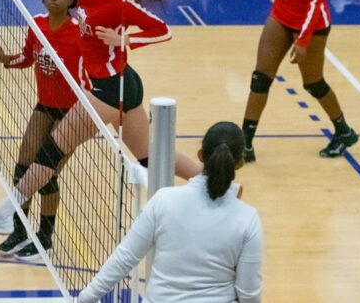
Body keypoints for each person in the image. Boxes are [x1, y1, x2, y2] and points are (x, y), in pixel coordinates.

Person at [0, 0, 201, 236]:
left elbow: (162, 31)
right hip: (119, 86)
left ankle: (5, 214)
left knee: (49, 152)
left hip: (108, 91)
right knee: (148, 157)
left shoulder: (116, 4)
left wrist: (125, 39)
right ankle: (211, 181)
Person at [75, 122, 262, 303]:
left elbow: (125, 258)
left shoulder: (163, 200)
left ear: (201, 155)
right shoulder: (248, 218)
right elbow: (248, 294)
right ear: (239, 164)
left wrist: (85, 299)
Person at [241, 0, 358, 162]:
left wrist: (302, 40)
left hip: (312, 22)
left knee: (313, 83)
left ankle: (343, 131)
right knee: (260, 77)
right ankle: (245, 143)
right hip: (281, 16)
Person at [0, 0, 86, 262]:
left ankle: (45, 239)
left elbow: (93, 70)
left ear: (71, 0)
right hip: (45, 106)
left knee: (47, 173)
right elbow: (28, 57)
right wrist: (5, 58)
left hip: (73, 113)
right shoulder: (38, 24)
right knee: (23, 167)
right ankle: (19, 231)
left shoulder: (79, 31)